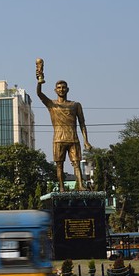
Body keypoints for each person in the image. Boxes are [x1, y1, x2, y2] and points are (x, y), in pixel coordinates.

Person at [36, 61, 92, 192]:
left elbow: (82, 123)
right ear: (55, 90)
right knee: (59, 165)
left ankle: (81, 185)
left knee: (76, 163)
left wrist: (86, 141)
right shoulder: (51, 104)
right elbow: (39, 94)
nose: (61, 89)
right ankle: (61, 187)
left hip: (73, 139)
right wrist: (39, 81)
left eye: (63, 87)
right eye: (59, 87)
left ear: (68, 89)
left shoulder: (75, 105)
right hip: (58, 139)